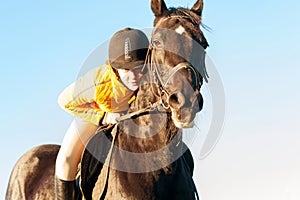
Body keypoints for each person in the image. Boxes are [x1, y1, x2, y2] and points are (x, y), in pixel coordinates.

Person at [55, 27, 149, 199]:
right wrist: (103, 116)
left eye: (139, 67)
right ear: (115, 68)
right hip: (95, 112)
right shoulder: (98, 83)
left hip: (129, 114)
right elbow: (63, 101)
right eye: (127, 70)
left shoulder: (149, 78)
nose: (135, 75)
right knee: (65, 161)